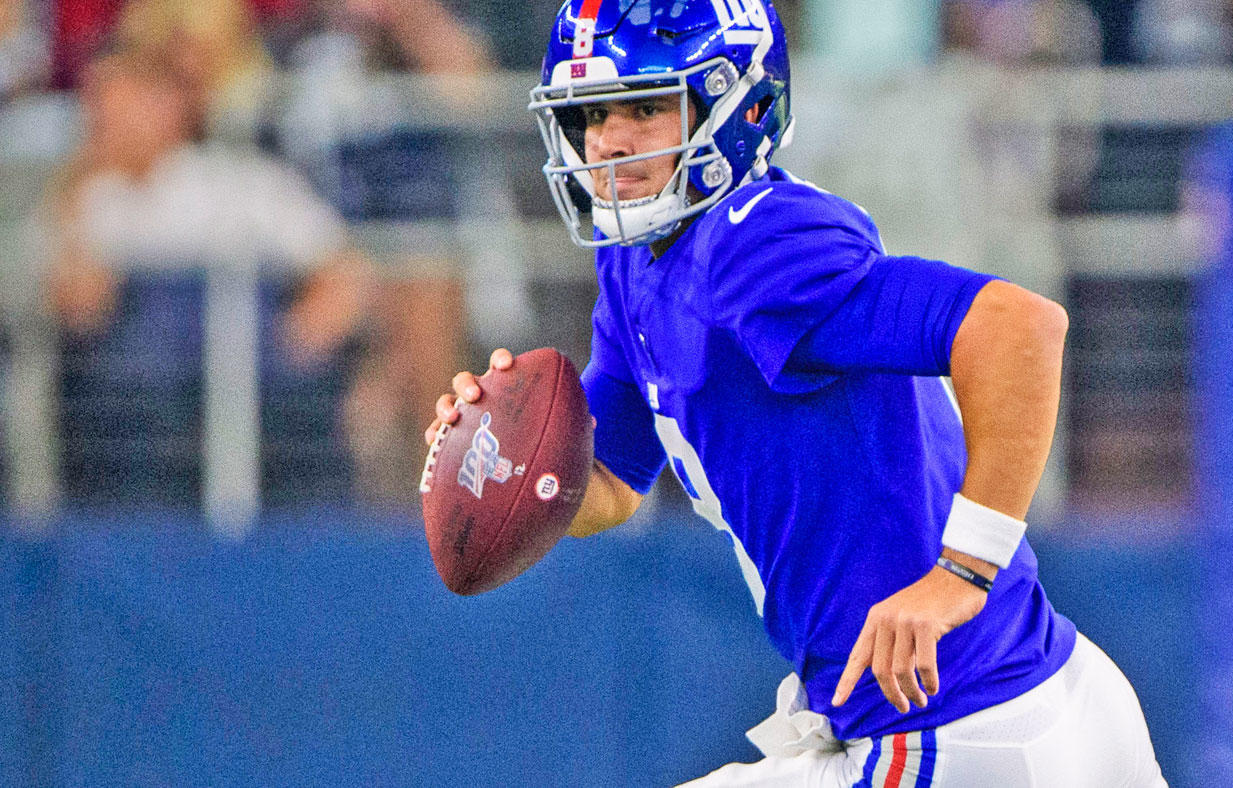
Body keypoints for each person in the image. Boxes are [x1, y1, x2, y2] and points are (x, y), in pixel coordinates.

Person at [426, 1, 1167, 784]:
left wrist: (963, 571)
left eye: (645, 107)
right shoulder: (635, 262)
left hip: (965, 727)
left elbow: (1019, 328)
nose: (610, 139)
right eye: (595, 111)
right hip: (999, 707)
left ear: (735, 104)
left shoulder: (756, 244)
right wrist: (492, 456)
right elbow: (608, 482)